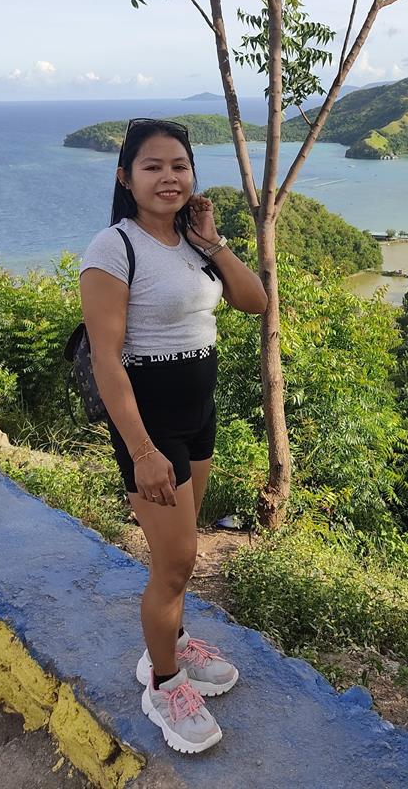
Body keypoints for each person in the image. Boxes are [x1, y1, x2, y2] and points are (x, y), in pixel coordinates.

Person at [79, 118, 267, 754]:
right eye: (153, 166)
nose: (169, 177)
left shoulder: (192, 243)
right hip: (151, 422)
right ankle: (163, 683)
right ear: (125, 177)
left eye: (179, 166)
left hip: (198, 413)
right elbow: (108, 361)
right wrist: (141, 450)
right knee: (176, 562)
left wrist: (212, 243)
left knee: (182, 554)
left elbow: (255, 301)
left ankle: (174, 642)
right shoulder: (113, 248)